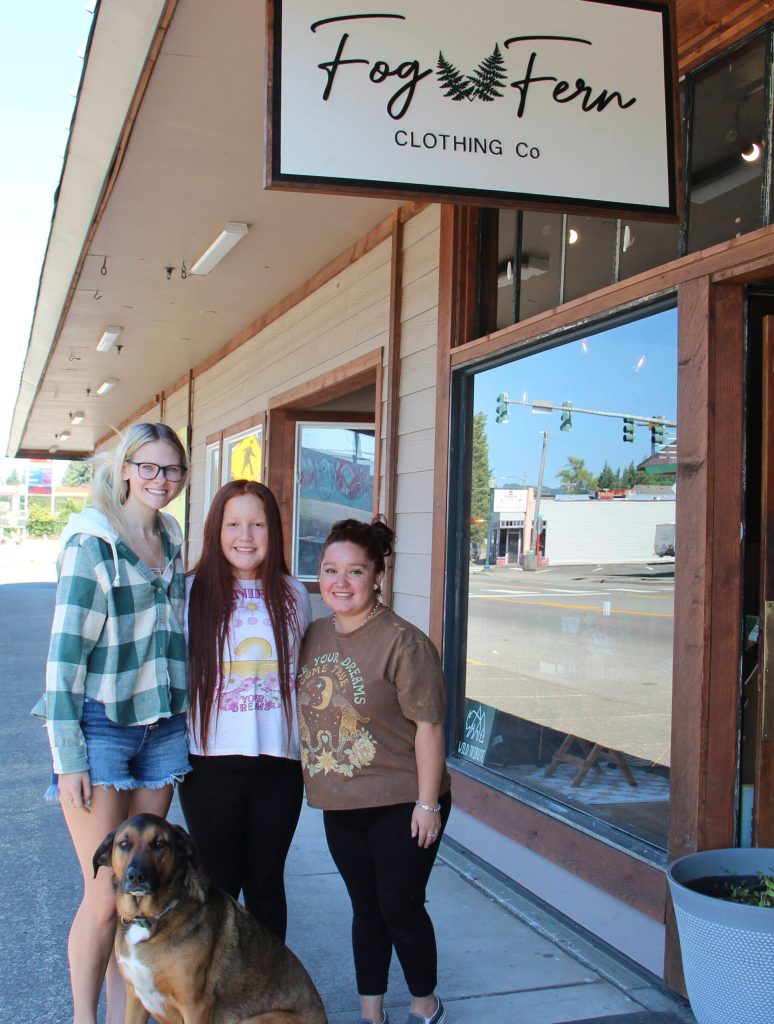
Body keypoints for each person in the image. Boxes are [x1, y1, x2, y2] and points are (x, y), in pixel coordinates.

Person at [33, 422, 191, 1024]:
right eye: (149, 468)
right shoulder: (91, 543)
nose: (161, 480)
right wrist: (67, 755)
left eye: (172, 470)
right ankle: (84, 1018)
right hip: (100, 728)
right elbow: (63, 661)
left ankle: (133, 1014)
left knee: (142, 895)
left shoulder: (170, 539)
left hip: (162, 728)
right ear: (125, 469)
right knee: (105, 896)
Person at [297, 517, 452, 1024]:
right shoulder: (314, 635)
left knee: (399, 906)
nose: (341, 583)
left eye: (355, 571)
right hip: (342, 801)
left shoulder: (403, 642)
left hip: (403, 799)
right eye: (330, 570)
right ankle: (371, 1015)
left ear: (377, 576)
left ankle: (425, 1007)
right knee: (366, 910)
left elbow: (429, 728)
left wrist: (428, 804)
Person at [179, 480, 312, 941]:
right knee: (217, 884)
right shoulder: (190, 592)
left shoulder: (295, 595)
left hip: (279, 763)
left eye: (257, 524)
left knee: (267, 880)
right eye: (233, 523)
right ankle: (213, 998)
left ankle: (268, 996)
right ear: (216, 530)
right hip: (210, 763)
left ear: (273, 531)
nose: (246, 535)